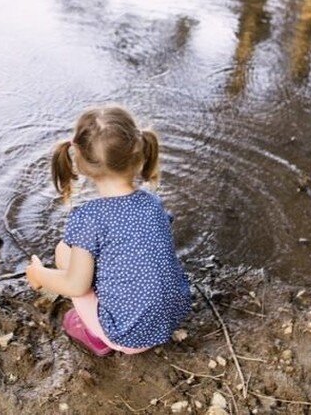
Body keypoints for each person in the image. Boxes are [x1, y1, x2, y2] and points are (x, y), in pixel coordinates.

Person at [25, 105, 190, 356]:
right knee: (73, 253)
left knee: (64, 256)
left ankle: (98, 339)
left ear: (78, 161)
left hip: (129, 336)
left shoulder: (89, 216)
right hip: (172, 317)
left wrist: (40, 275)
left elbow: (76, 285)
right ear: (139, 153)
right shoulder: (152, 202)